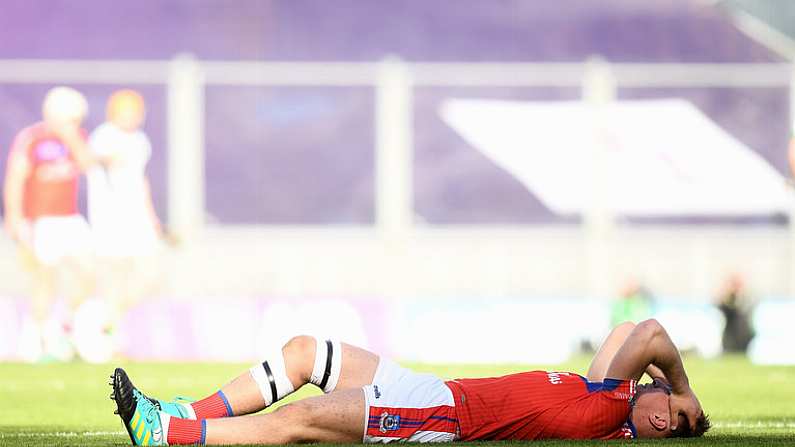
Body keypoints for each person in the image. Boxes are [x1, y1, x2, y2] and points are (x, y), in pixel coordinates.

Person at [110, 319, 709, 445]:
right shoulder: (606, 395)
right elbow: (628, 330)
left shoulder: (609, 411)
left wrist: (680, 386)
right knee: (301, 353)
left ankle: (172, 435)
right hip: (434, 391)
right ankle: (182, 409)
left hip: (442, 418)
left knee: (299, 423)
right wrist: (666, 389)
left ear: (661, 415)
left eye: (667, 402)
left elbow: (652, 336)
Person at [3, 86, 98, 361]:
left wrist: (72, 137)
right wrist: (15, 217)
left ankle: (65, 324)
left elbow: (87, 163)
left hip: (70, 219)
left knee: (88, 273)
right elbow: (15, 178)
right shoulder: (32, 138)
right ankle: (33, 341)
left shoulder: (76, 138)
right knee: (44, 282)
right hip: (40, 222)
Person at [87, 89, 163, 330]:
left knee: (152, 274)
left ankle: (107, 317)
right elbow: (96, 158)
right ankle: (110, 334)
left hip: (137, 217)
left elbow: (141, 179)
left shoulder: (141, 140)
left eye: (136, 112)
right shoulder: (104, 136)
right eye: (126, 111)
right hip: (110, 217)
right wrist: (108, 159)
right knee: (114, 276)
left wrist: (152, 217)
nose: (132, 117)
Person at [715, 273, 755, 353]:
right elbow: (722, 307)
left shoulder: (746, 299)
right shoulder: (728, 299)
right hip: (730, 340)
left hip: (744, 339)